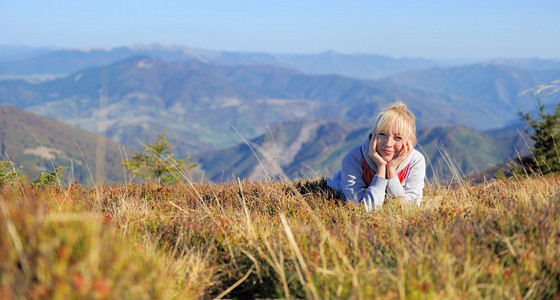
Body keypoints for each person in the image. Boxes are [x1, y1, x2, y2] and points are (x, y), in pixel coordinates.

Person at [327, 102, 426, 211]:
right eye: (382, 134)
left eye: (398, 137)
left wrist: (391, 171)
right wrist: (381, 169)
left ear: (409, 142)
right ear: (373, 135)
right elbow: (363, 209)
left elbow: (408, 209)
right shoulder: (353, 159)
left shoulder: (416, 161)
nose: (388, 143)